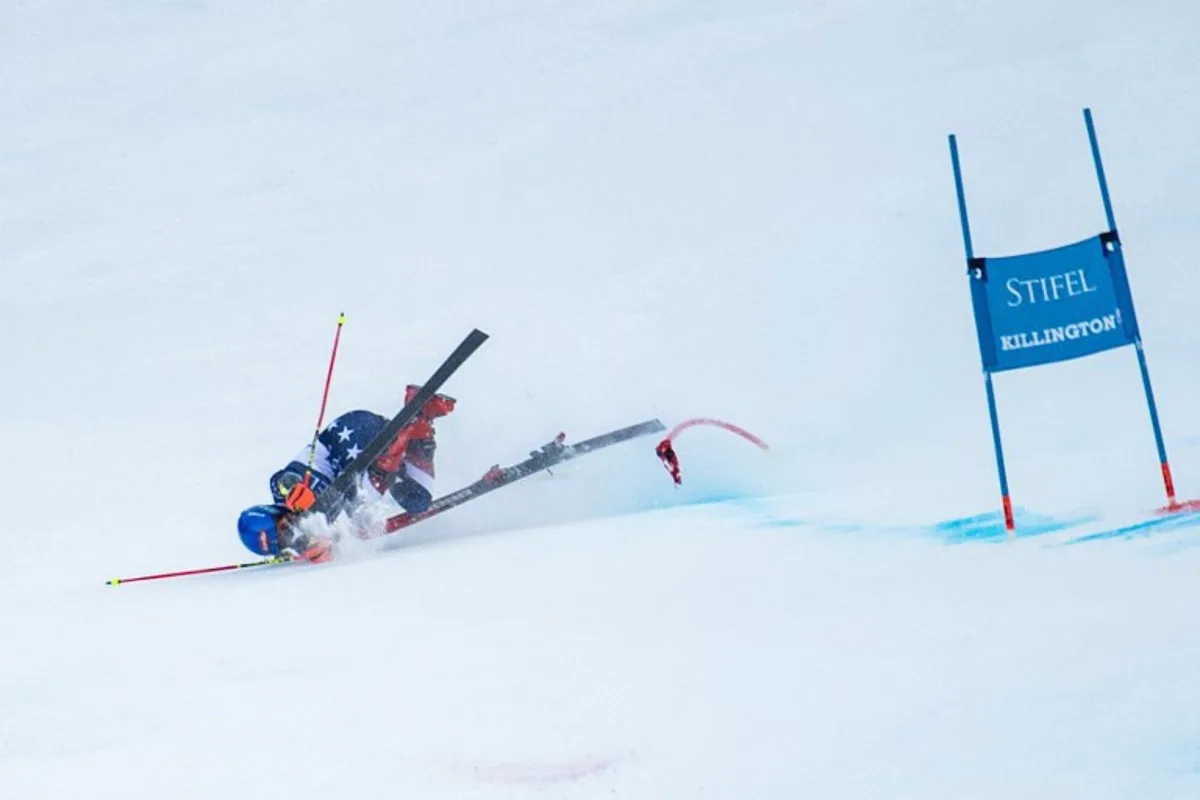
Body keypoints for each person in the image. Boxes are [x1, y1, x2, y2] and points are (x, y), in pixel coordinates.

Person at [237, 387, 455, 562]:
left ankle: (395, 445)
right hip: (368, 446)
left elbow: (284, 480)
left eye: (283, 527)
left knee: (362, 513)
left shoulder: (285, 493)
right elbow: (333, 531)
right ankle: (420, 423)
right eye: (285, 541)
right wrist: (329, 544)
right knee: (418, 500)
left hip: (353, 435)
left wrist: (295, 489)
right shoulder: (306, 534)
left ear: (275, 511)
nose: (292, 533)